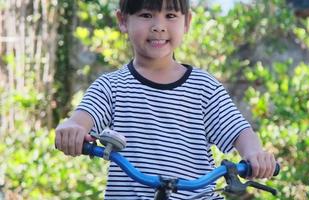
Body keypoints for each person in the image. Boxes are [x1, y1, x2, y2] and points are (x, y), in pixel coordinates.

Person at [55, 0, 277, 199]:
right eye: (146, 15)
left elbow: (238, 130)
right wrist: (73, 129)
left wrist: (254, 154)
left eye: (170, 16)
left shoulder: (204, 87)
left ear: (187, 22)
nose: (158, 26)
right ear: (123, 21)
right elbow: (82, 118)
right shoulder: (111, 87)